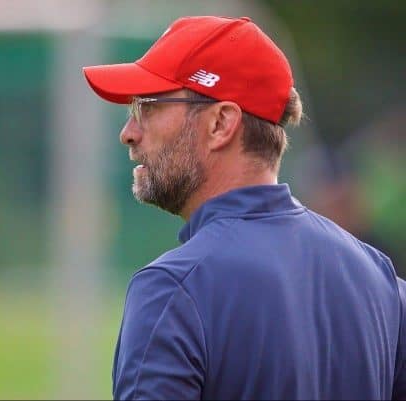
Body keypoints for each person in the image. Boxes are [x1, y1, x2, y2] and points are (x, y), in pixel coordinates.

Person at [82, 16, 406, 400]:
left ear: (221, 123)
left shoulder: (173, 288)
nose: (129, 132)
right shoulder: (380, 280)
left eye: (149, 106)